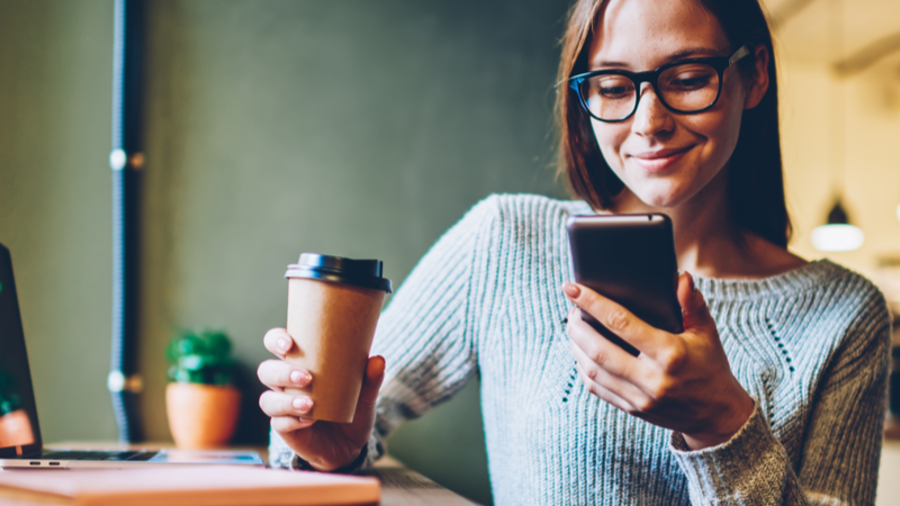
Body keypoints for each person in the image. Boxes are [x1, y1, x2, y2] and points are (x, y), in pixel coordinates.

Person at [257, 0, 892, 504]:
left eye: (689, 77)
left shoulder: (844, 315)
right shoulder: (505, 242)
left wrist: (722, 424)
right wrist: (325, 440)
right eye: (614, 86)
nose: (648, 122)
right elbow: (339, 428)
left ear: (753, 76)